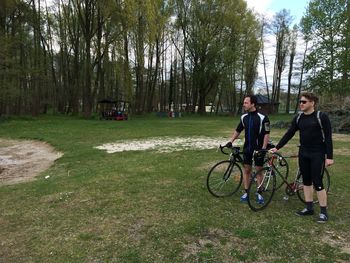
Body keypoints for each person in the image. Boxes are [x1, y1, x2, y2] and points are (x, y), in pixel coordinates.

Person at [270, 92, 333, 223]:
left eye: (304, 102)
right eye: (300, 102)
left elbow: (328, 137)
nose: (301, 104)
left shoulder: (321, 116)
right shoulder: (299, 118)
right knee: (306, 181)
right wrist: (277, 147)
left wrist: (329, 157)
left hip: (318, 154)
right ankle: (309, 208)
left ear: (312, 103)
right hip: (303, 153)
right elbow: (289, 133)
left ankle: (323, 212)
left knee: (318, 182)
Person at [226, 95, 270, 203]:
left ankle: (259, 193)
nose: (244, 104)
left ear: (253, 104)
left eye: (246, 102)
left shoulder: (263, 117)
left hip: (259, 149)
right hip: (247, 148)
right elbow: (238, 130)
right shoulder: (243, 117)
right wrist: (231, 141)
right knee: (247, 170)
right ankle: (246, 192)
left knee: (259, 171)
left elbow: (267, 133)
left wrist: (263, 148)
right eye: (244, 102)